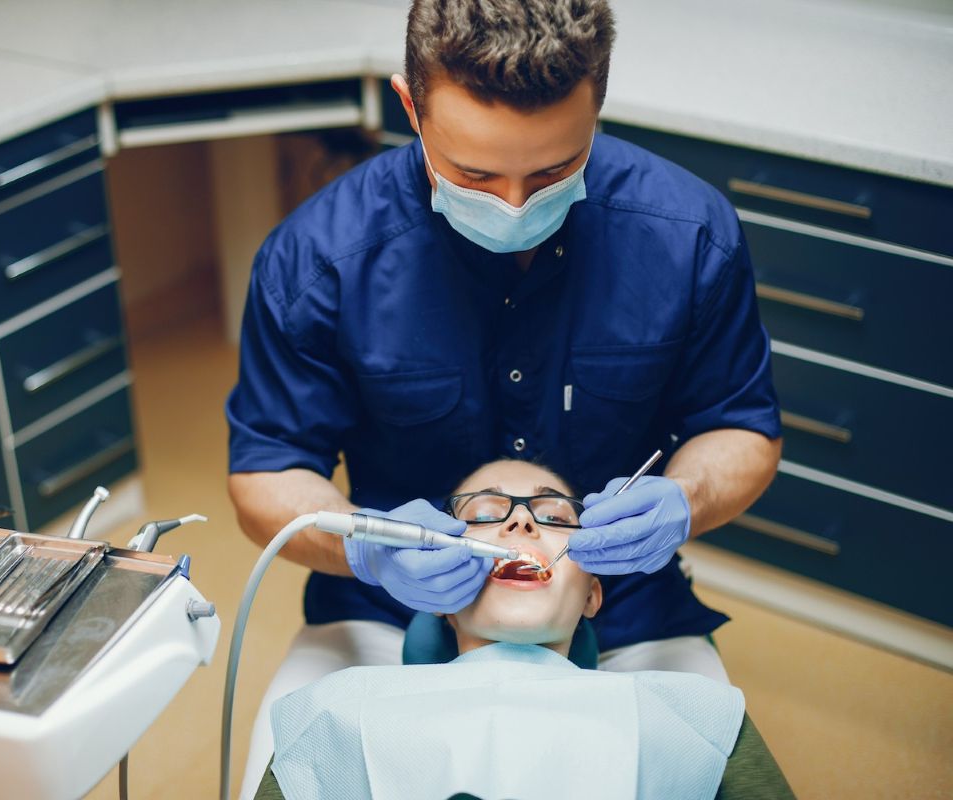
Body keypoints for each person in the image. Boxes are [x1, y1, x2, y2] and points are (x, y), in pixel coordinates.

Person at [226, 1, 781, 794]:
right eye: (476, 175)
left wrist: (685, 500)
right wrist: (366, 546)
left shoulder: (688, 235)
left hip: (620, 612)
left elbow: (743, 428)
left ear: (595, 105)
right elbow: (265, 474)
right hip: (384, 611)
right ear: (410, 107)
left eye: (554, 171)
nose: (516, 206)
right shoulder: (318, 260)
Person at [254, 460, 794, 799]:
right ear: (436, 591)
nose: (521, 523)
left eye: (556, 517)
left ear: (591, 594)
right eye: (485, 513)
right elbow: (265, 463)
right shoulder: (334, 718)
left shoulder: (697, 721)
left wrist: (694, 494)